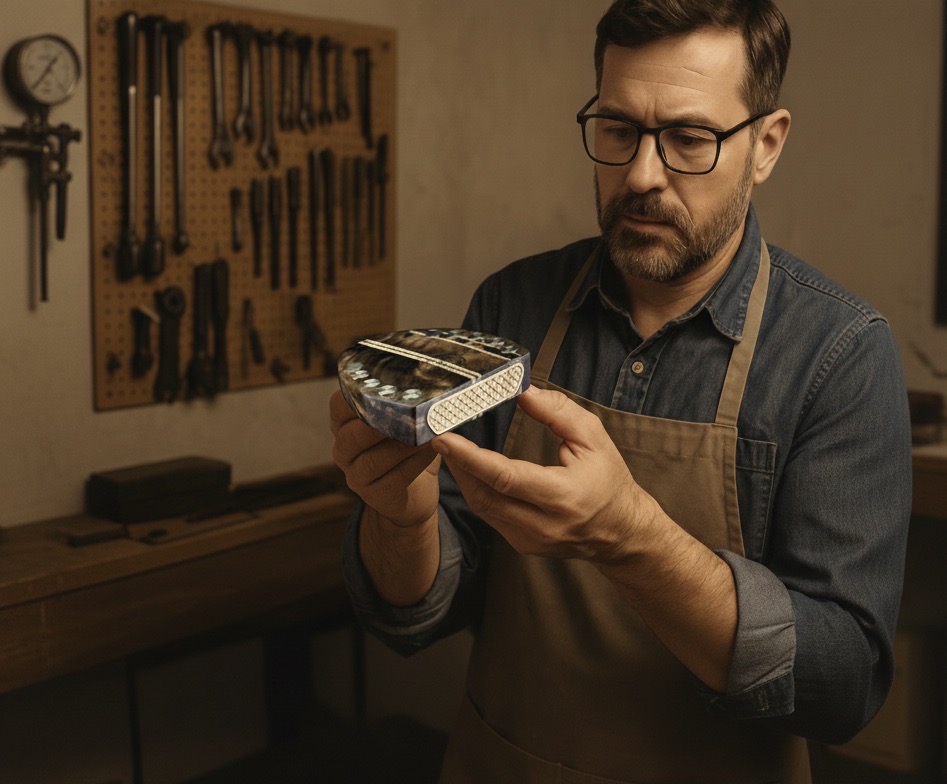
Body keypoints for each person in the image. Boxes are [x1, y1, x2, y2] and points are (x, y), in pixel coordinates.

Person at [329, 1, 913, 781]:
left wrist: (629, 537)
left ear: (765, 145)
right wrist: (401, 519)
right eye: (617, 129)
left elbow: (841, 687)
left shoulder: (836, 355)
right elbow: (422, 612)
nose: (640, 175)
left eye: (688, 139)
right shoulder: (513, 306)